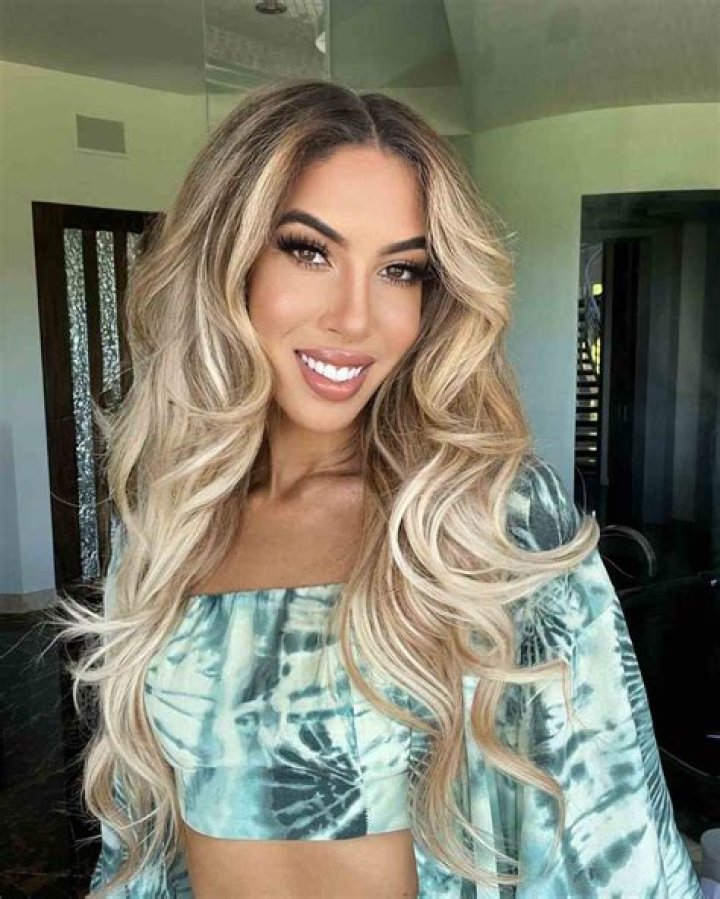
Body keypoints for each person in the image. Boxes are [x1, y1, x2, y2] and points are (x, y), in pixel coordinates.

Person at [50, 78, 703, 899]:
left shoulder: (490, 519)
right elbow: (143, 838)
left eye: (400, 269)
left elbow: (617, 842)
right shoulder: (171, 515)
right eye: (309, 251)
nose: (355, 318)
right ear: (227, 259)